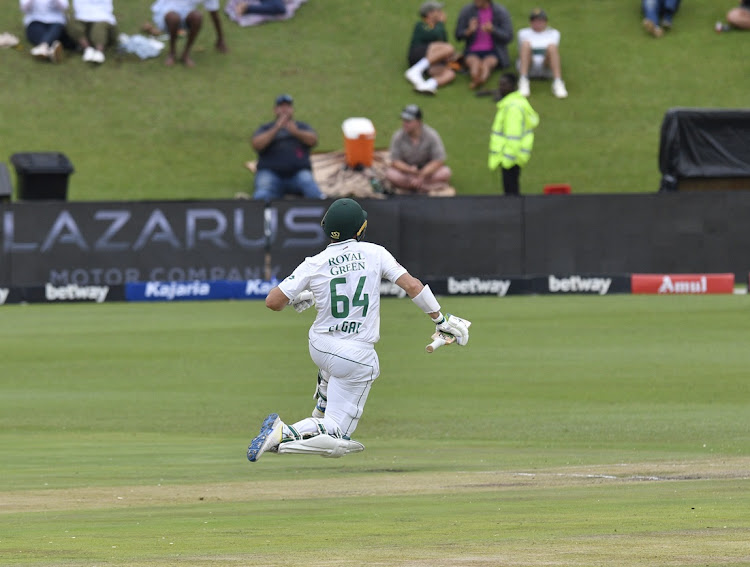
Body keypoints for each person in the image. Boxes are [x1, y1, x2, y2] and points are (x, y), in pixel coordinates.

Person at [247, 197, 470, 462]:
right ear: (360, 229)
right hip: (355, 357)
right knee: (337, 436)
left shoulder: (314, 262)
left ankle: (322, 399)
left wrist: (306, 296)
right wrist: (440, 319)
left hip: (319, 346)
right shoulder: (376, 252)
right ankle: (284, 433)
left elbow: (273, 302)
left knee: (332, 381)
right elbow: (412, 286)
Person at [251, 94, 324, 202]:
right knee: (263, 189)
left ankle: (324, 209)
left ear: (292, 109)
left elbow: (313, 140)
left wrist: (296, 132)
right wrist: (276, 128)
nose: (285, 110)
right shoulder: (266, 128)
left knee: (307, 181)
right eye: (281, 107)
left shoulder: (301, 126)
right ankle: (260, 215)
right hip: (270, 173)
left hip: (297, 174)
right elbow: (256, 144)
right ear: (275, 110)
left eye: (288, 107)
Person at [488, 73, 539, 195]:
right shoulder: (512, 104)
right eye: (500, 84)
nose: (501, 88)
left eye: (504, 85)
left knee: (511, 191)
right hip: (512, 156)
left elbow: (513, 136)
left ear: (513, 87)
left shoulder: (513, 108)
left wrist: (508, 159)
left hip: (510, 158)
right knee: (512, 188)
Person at [385, 104, 453, 195]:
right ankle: (426, 187)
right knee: (391, 174)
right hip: (407, 172)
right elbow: (395, 161)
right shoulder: (398, 136)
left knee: (445, 172)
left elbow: (439, 160)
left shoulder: (431, 135)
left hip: (427, 171)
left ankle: (413, 186)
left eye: (408, 121)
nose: (404, 124)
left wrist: (422, 175)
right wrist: (410, 170)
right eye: (404, 120)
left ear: (418, 122)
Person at [455, 0, 514, 90]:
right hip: (472, 50)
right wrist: (469, 31)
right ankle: (477, 80)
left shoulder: (500, 11)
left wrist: (493, 30)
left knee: (486, 65)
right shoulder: (467, 11)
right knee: (474, 65)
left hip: (493, 51)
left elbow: (508, 36)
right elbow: (458, 35)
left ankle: (478, 81)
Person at [149, 0, 228, 67]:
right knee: (173, 17)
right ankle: (172, 53)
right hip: (165, 12)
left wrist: (220, 38)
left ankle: (185, 53)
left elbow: (214, 15)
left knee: (197, 16)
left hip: (186, 15)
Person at [404, 1, 457, 95]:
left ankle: (426, 86)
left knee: (450, 74)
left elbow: (443, 40)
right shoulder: (421, 25)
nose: (441, 13)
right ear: (429, 13)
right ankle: (415, 70)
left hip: (430, 63)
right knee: (449, 48)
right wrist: (440, 23)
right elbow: (436, 36)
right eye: (438, 11)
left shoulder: (438, 27)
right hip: (418, 54)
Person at [517, 8, 567, 99]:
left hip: (546, 67)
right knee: (525, 45)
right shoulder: (523, 33)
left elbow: (552, 51)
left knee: (552, 47)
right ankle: (523, 80)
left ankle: (558, 82)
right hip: (529, 66)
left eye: (540, 21)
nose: (537, 23)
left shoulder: (554, 33)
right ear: (530, 22)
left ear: (545, 22)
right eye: (534, 21)